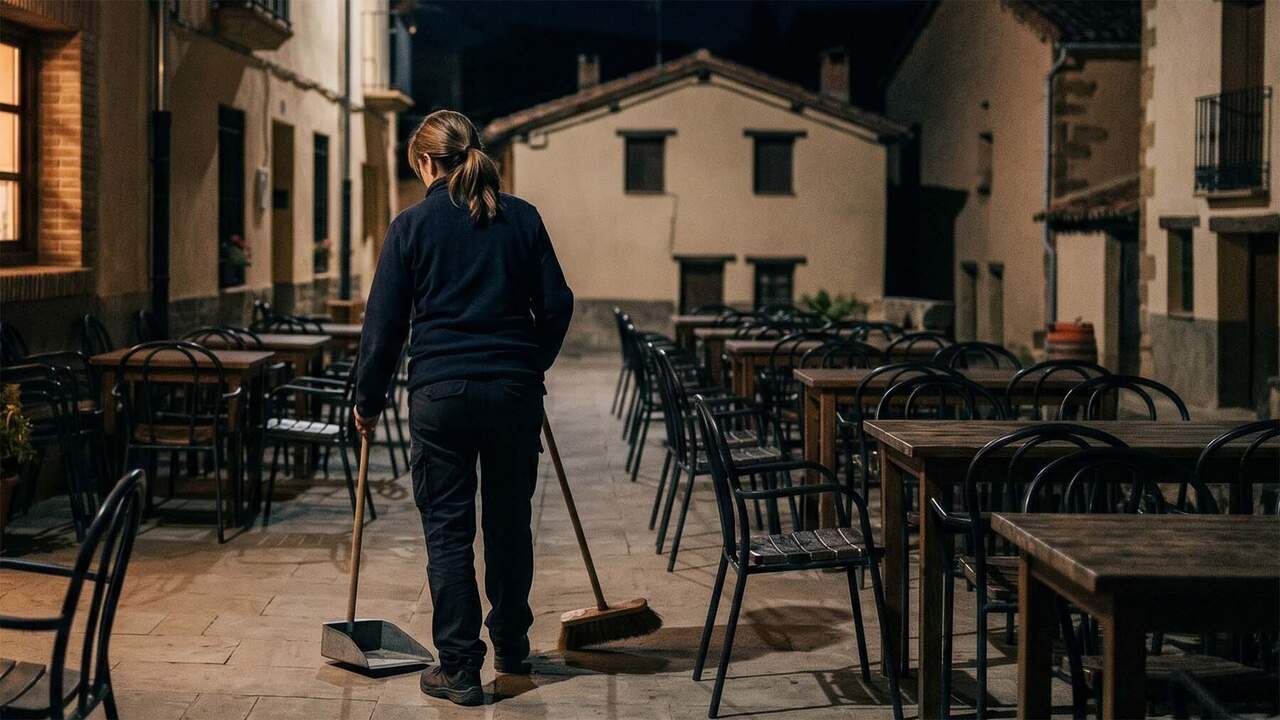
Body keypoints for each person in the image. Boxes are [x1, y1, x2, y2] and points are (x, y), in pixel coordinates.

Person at [353, 109, 573, 706]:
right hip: (510, 393)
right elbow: (557, 304)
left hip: (440, 395)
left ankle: (459, 668)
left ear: (425, 162)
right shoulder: (522, 218)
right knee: (507, 522)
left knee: (448, 530)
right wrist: (532, 364)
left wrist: (367, 400)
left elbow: (384, 329)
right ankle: (512, 645)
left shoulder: (410, 227)